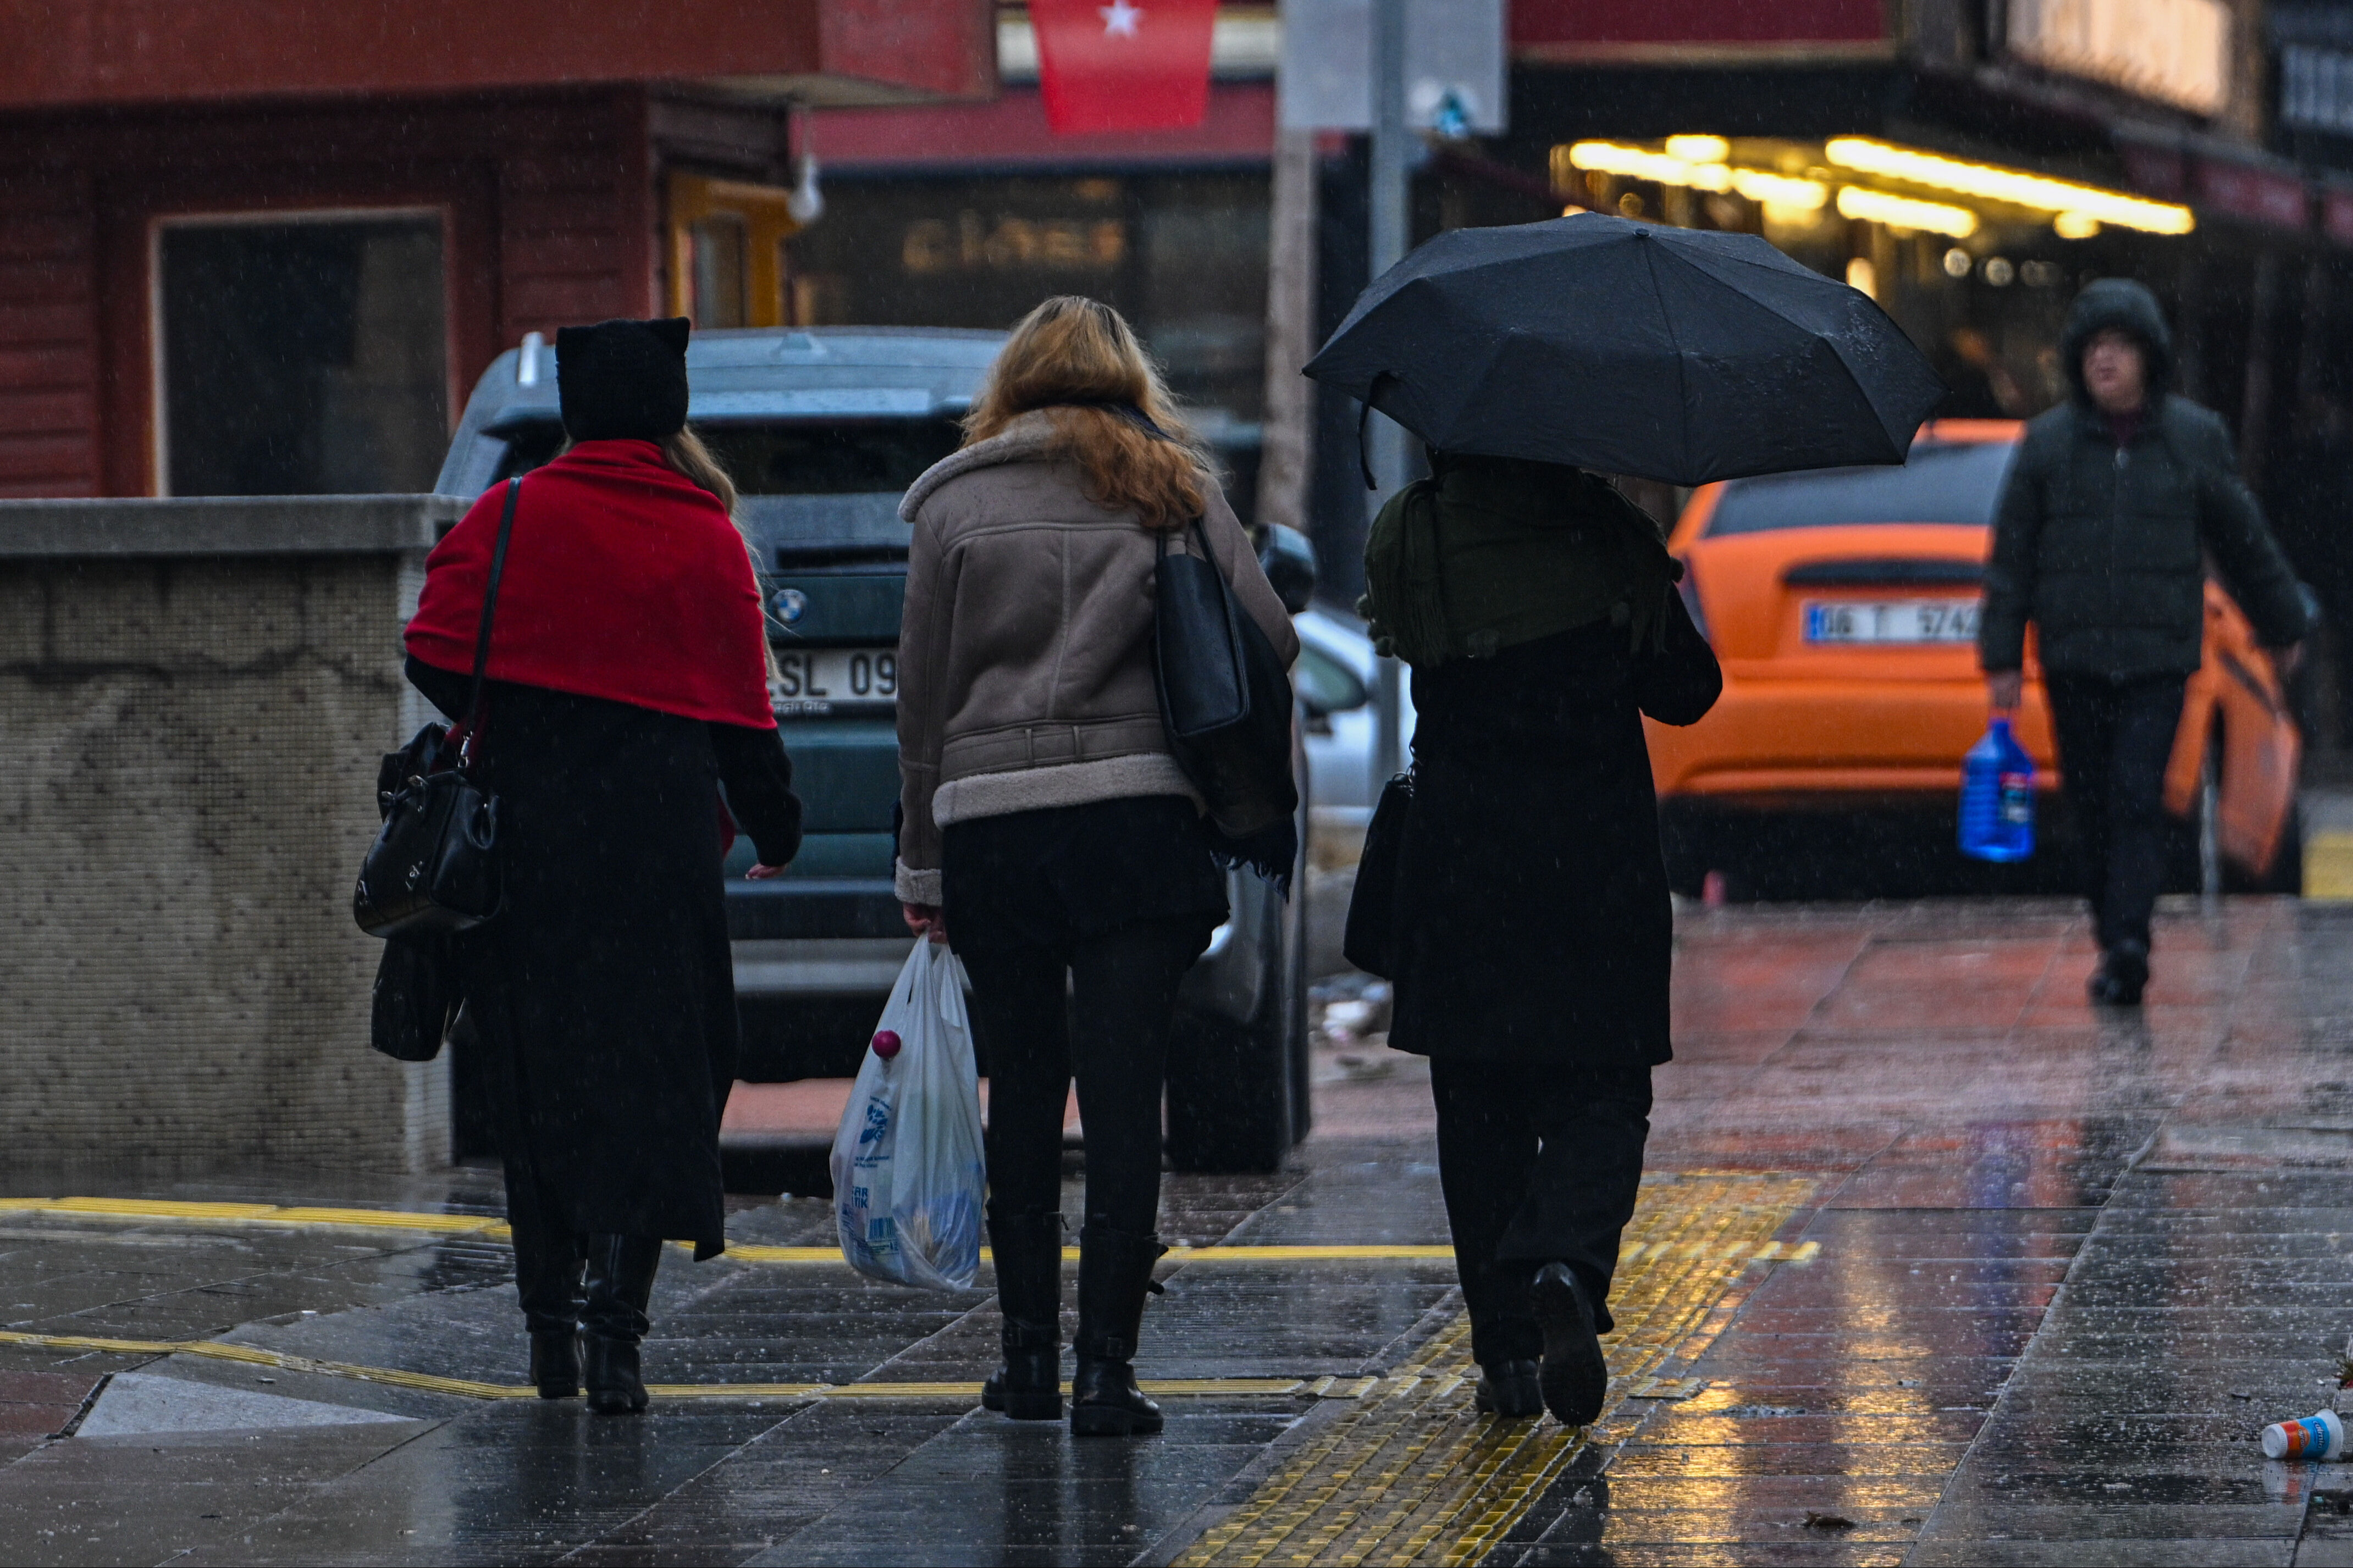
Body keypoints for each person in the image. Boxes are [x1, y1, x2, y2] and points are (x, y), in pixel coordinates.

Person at [893, 296, 1299, 1437]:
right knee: (1127, 1098)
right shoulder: (1170, 485)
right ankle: (1105, 1372)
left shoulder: (951, 502)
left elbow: (921, 701)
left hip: (997, 832)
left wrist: (921, 860)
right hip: (1136, 823)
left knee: (1021, 1090)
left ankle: (1023, 1359)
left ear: (1014, 380)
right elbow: (1269, 631)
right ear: (1128, 377)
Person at [404, 317, 802, 1415]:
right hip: (661, 850)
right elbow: (744, 722)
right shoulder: (704, 532)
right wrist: (777, 828)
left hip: (527, 838)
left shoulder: (511, 513)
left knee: (541, 1081)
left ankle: (547, 1327)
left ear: (576, 410)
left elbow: (431, 645)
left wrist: (512, 706)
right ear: (671, 412)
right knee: (662, 1075)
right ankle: (619, 1330)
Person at [1361, 450, 1699, 1429]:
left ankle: (1505, 1354)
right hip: (1596, 863)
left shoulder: (1413, 531)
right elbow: (1688, 689)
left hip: (1462, 861)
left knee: (1477, 1109)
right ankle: (1565, 1257)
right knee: (1605, 1085)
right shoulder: (1602, 534)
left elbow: (1407, 643)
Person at [1980, 279, 2311, 1007]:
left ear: (2147, 358)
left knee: (2137, 796)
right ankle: (2112, 927)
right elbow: (2012, 556)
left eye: (2120, 346)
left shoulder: (2192, 439)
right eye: (2094, 346)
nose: (2106, 360)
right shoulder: (2046, 446)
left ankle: (2129, 940)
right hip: (2074, 658)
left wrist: (2284, 623)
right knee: (2092, 803)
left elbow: (2243, 537)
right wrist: (2001, 655)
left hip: (2159, 659)